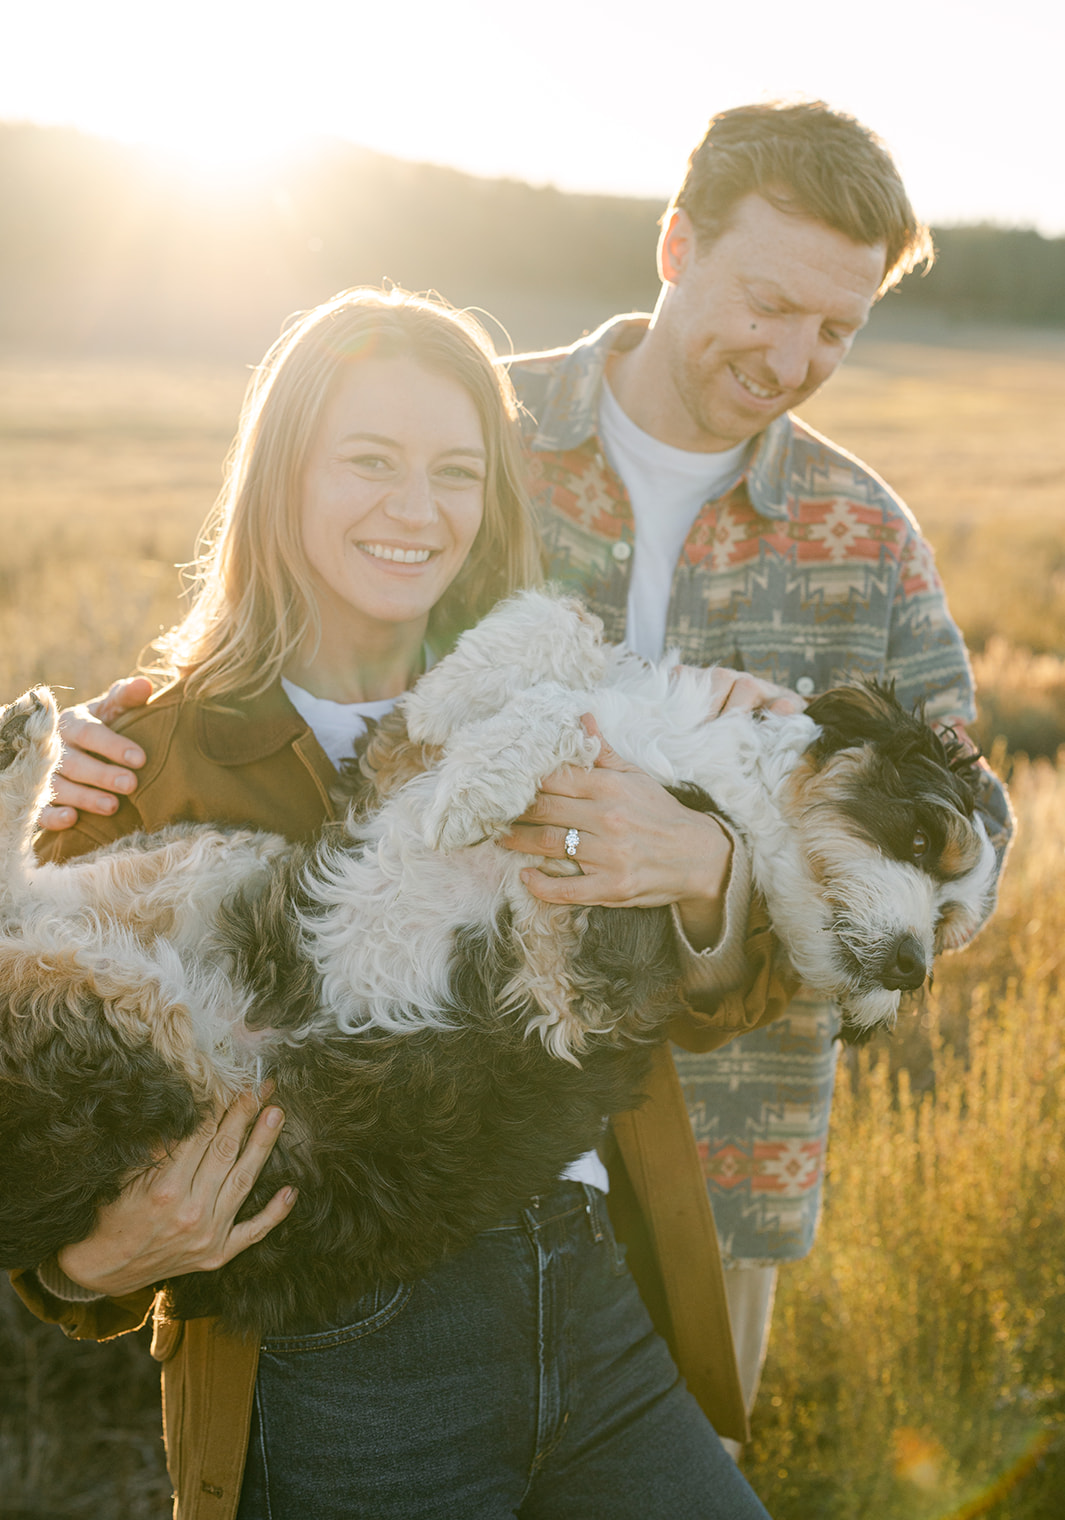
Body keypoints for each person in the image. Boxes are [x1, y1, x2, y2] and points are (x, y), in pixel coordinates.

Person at [44, 100, 1015, 1448]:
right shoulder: (469, 427)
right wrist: (105, 739)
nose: (793, 356)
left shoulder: (871, 534)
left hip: (703, 1166)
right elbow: (283, 626)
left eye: (837, 330)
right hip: (377, 1143)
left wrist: (718, 875)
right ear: (676, 246)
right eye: (768, 299)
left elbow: (969, 834)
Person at [16, 285, 790, 1519]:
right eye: (369, 462)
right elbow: (40, 1104)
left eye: (457, 471)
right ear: (282, 478)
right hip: (343, 1346)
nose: (418, 511)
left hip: (598, 1295)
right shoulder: (135, 756)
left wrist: (708, 864)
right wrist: (91, 1265)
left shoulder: (561, 703)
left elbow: (719, 999)